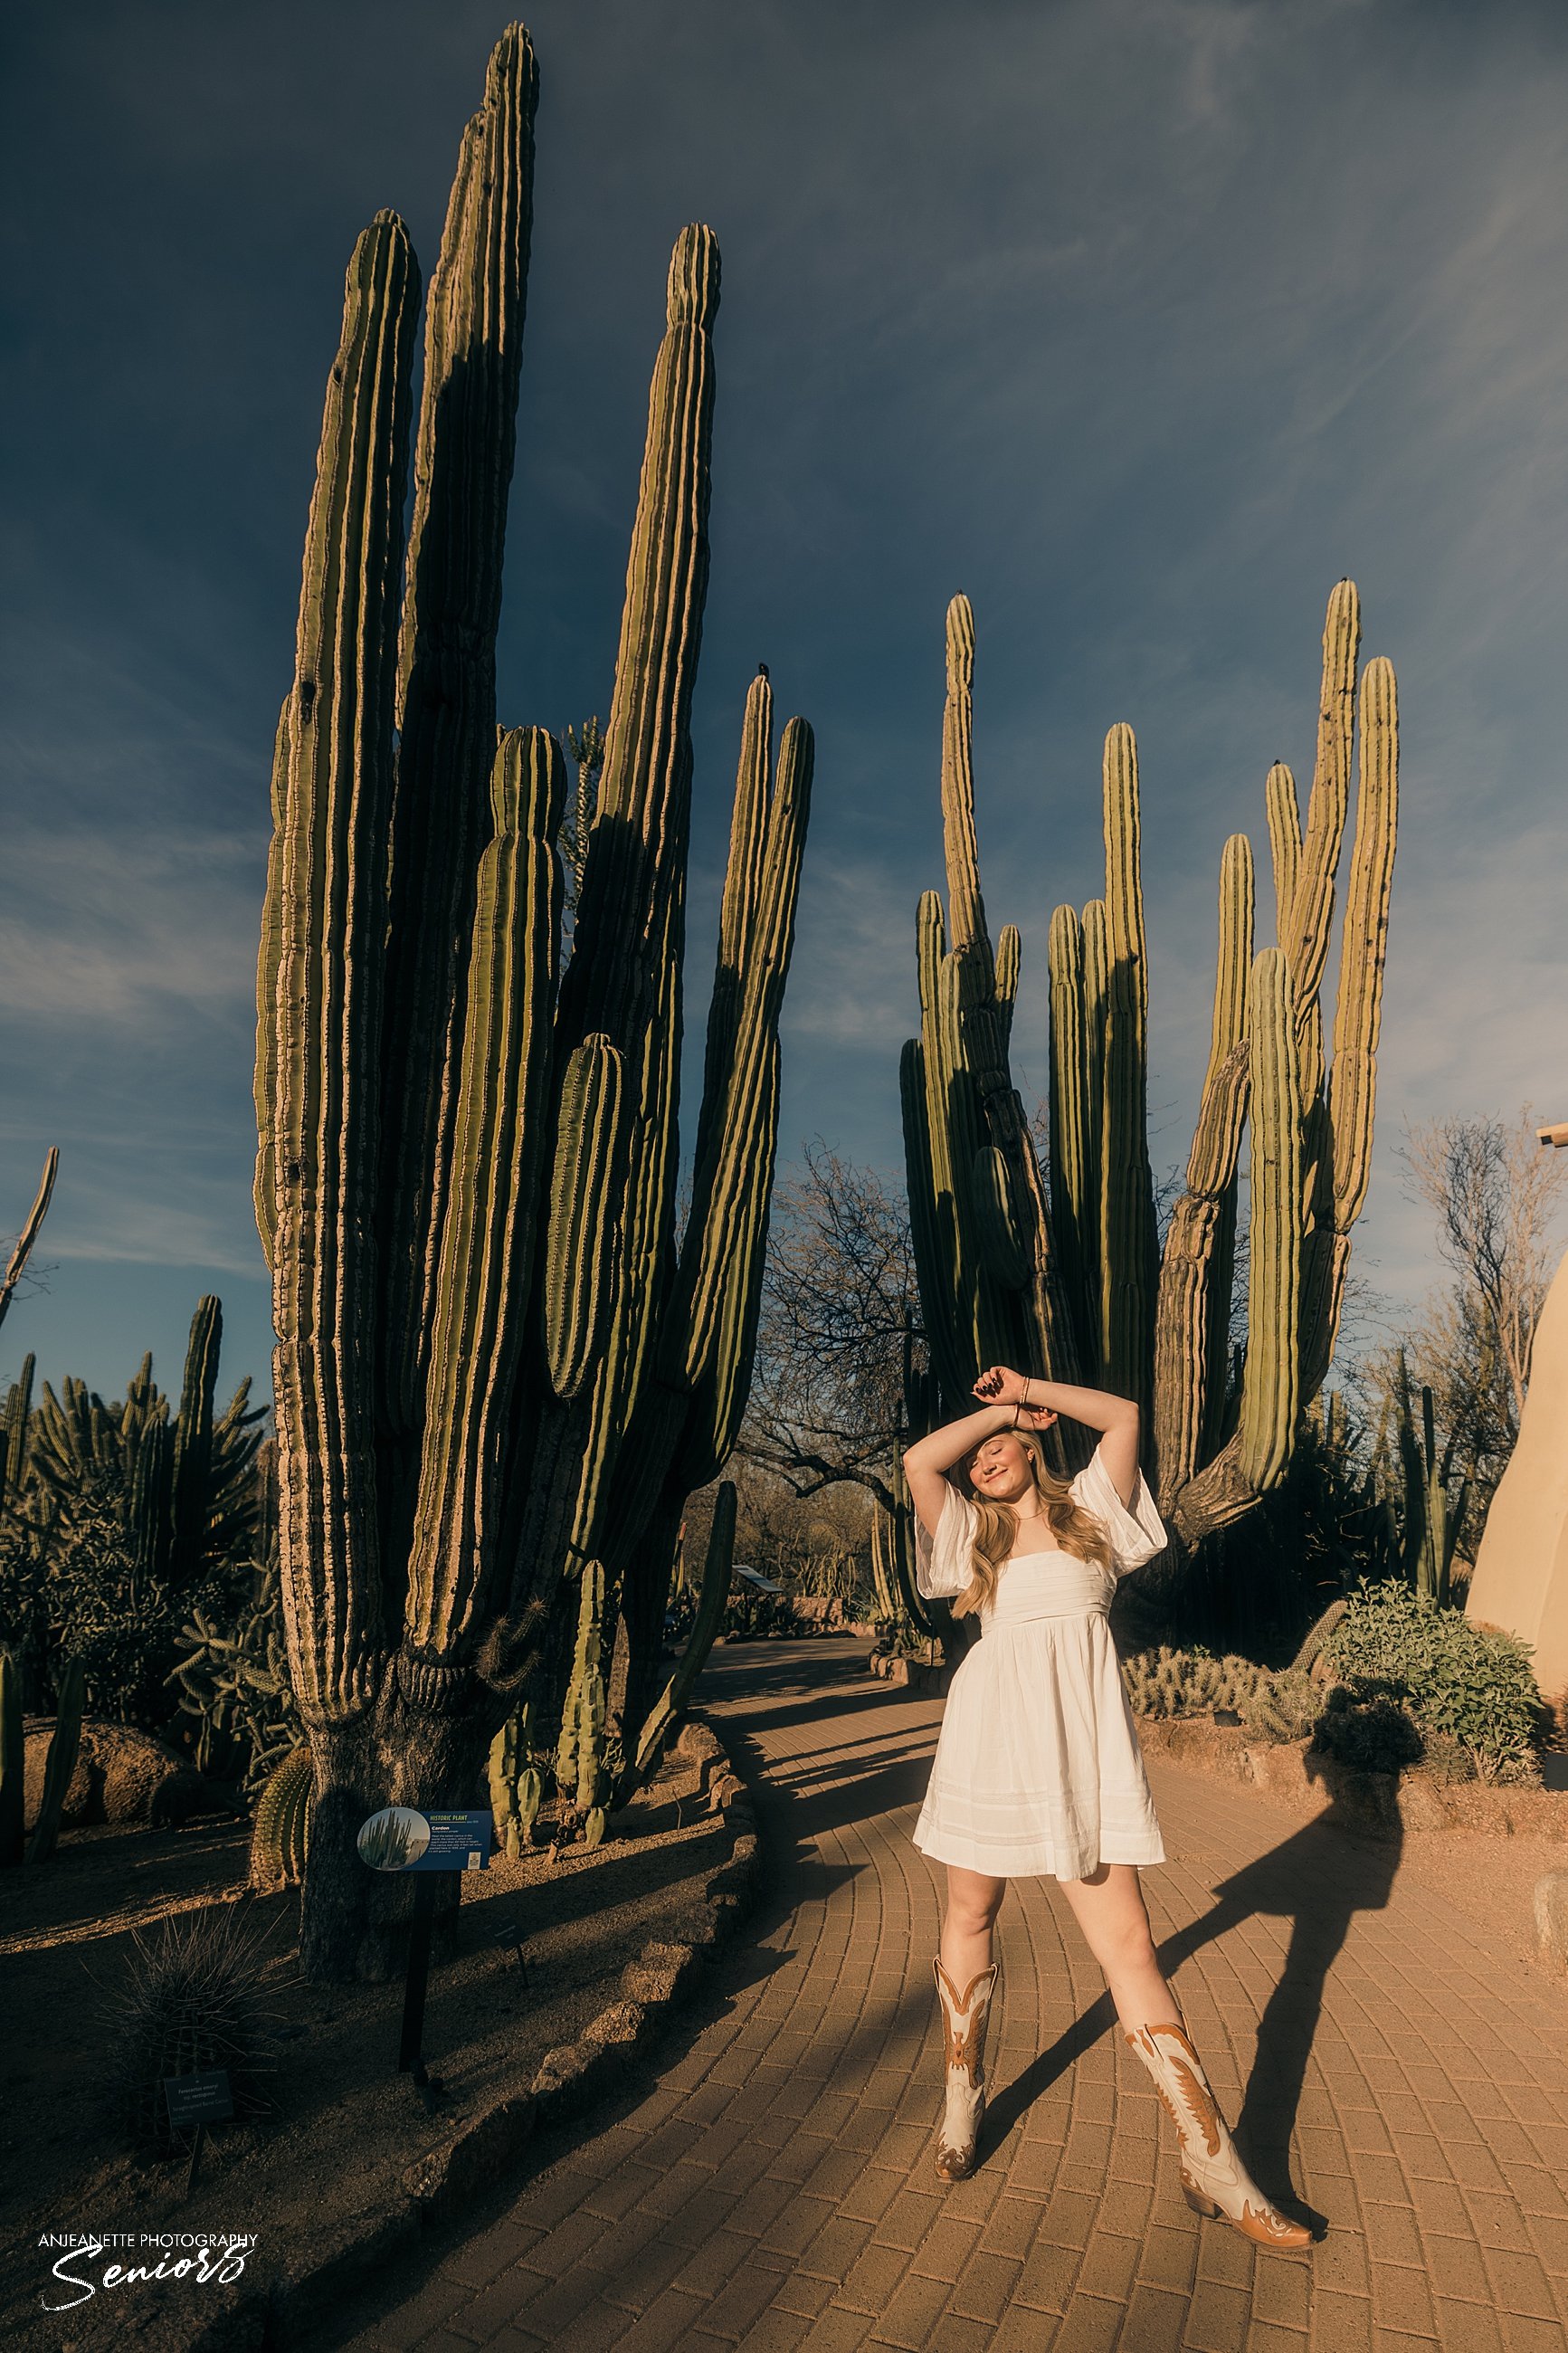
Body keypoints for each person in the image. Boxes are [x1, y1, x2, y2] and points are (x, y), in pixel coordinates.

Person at [903, 1363, 1312, 2253]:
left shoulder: (1092, 1509)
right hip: (988, 1738)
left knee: (1126, 1944)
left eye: (1002, 1444)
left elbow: (1124, 1413)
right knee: (970, 1908)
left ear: (1037, 1444)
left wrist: (1025, 1392)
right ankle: (960, 2094)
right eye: (978, 1450)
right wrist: (991, 1417)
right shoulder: (966, 1533)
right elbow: (916, 1462)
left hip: (1078, 1749)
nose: (982, 1459)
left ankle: (1211, 2157)